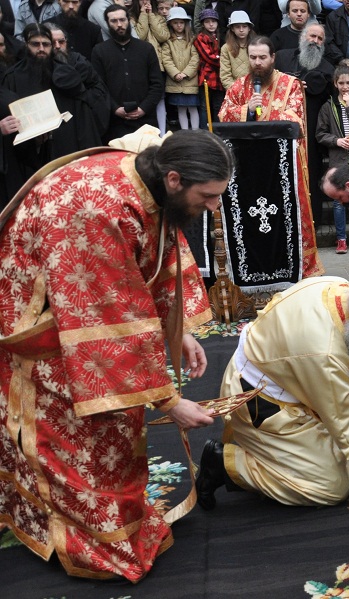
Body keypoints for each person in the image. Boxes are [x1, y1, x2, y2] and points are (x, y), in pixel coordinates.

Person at [0, 130, 233, 581]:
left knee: (117, 423)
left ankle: (115, 519)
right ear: (173, 178)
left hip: (85, 302)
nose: (212, 208)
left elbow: (159, 250)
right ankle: (84, 537)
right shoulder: (95, 208)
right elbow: (106, 323)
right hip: (43, 318)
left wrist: (175, 331)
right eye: (207, 197)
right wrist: (169, 402)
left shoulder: (148, 184)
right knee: (77, 429)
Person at [199, 275, 349, 509]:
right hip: (260, 401)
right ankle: (227, 464)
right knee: (331, 485)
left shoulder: (340, 287)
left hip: (292, 368)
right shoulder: (324, 355)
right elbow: (347, 432)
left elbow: (339, 346)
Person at [219, 35, 324, 278]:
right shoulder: (238, 87)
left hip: (283, 169)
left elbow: (295, 120)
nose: (257, 63)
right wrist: (246, 109)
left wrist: (264, 116)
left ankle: (299, 269)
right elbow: (224, 116)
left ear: (273, 58)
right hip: (249, 171)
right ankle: (257, 269)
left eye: (262, 57)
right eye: (253, 57)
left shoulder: (291, 85)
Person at [1, 22, 109, 191]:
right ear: (26, 45)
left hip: (66, 151)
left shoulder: (68, 75)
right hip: (30, 159)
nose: (41, 49)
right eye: (35, 44)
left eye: (46, 44)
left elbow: (84, 120)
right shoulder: (12, 78)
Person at [275, 21, 335, 225]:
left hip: (311, 136)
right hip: (282, 130)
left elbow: (332, 100)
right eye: (312, 36)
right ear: (303, 37)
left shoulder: (327, 68)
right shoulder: (283, 58)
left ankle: (311, 223)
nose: (315, 41)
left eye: (319, 38)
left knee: (311, 177)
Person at [316, 63, 349, 254]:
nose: (345, 86)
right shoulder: (327, 106)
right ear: (335, 83)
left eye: (348, 82)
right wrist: (336, 140)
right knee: (339, 202)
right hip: (338, 159)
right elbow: (320, 134)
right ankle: (341, 239)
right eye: (341, 83)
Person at [91, 4, 164, 140]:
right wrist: (115, 109)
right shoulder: (99, 51)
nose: (119, 24)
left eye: (122, 20)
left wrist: (143, 108)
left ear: (128, 20)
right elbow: (98, 87)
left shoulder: (146, 49)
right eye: (114, 21)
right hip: (114, 123)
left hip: (146, 121)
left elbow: (157, 84)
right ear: (107, 23)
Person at [131, 0, 170, 133]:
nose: (145, 1)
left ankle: (162, 133)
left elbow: (163, 36)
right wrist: (143, 15)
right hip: (139, 64)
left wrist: (151, 16)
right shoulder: (131, 18)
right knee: (143, 98)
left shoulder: (158, 17)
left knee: (159, 98)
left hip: (157, 63)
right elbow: (138, 37)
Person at [160, 6, 200, 130]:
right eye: (175, 23)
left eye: (181, 22)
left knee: (193, 108)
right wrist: (175, 73)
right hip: (175, 82)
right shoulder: (168, 42)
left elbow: (196, 58)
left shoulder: (192, 40)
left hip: (190, 81)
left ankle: (195, 131)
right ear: (171, 24)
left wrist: (186, 73)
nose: (179, 25)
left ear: (186, 23)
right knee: (181, 108)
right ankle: (185, 132)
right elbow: (166, 59)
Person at [194, 8, 224, 127]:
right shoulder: (200, 37)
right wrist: (224, 61)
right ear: (202, 24)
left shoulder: (220, 37)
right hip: (206, 76)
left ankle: (218, 131)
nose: (211, 24)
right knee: (205, 107)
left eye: (213, 21)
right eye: (207, 22)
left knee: (218, 105)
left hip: (219, 77)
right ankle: (204, 132)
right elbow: (209, 56)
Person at [219, 9, 254, 90]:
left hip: (255, 89)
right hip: (235, 91)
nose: (241, 30)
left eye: (244, 26)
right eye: (237, 27)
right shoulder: (226, 48)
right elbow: (225, 76)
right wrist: (237, 90)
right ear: (232, 29)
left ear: (249, 28)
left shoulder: (257, 46)